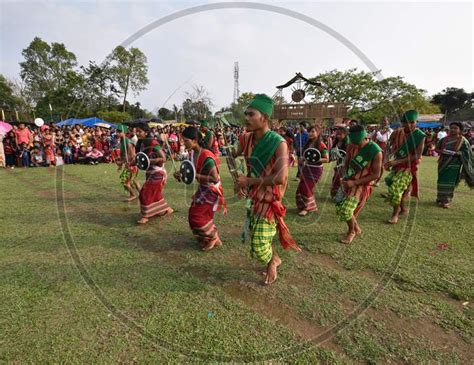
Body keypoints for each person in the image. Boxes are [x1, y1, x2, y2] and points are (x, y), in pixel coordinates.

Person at [234, 94, 301, 285]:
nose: (246, 118)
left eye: (251, 114)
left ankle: (273, 260)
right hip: (255, 197)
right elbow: (233, 157)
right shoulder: (245, 139)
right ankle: (273, 258)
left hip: (271, 199)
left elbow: (280, 178)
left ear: (264, 117)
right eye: (245, 114)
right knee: (259, 237)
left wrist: (249, 181)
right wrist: (238, 181)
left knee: (258, 244)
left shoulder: (279, 143)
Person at [174, 126, 226, 251]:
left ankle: (213, 237)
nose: (183, 143)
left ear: (194, 140)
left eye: (186, 140)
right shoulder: (192, 153)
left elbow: (214, 178)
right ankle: (211, 238)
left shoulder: (207, 156)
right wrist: (180, 175)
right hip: (203, 188)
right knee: (196, 214)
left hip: (212, 190)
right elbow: (188, 172)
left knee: (196, 216)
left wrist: (194, 175)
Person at [335, 125, 382, 244]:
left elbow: (376, 174)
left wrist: (355, 182)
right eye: (353, 143)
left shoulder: (375, 151)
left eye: (358, 144)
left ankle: (352, 231)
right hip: (349, 181)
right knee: (341, 207)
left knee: (346, 210)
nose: (355, 146)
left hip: (362, 185)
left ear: (365, 138)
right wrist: (344, 177)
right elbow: (347, 163)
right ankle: (356, 228)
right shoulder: (351, 145)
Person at [384, 110, 426, 224]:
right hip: (396, 165)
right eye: (406, 122)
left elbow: (416, 155)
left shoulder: (420, 136)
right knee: (391, 183)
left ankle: (395, 214)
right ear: (402, 123)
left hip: (408, 167)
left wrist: (396, 162)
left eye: (412, 122)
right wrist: (387, 159)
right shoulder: (397, 132)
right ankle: (402, 209)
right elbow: (388, 145)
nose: (409, 124)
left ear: (416, 122)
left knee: (396, 189)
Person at [135, 123, 173, 224]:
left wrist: (150, 160)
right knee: (155, 194)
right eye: (136, 131)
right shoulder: (141, 143)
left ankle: (146, 215)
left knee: (145, 192)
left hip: (158, 173)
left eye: (140, 131)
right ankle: (167, 209)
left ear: (146, 132)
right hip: (150, 172)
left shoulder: (153, 143)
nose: (137, 133)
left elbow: (163, 158)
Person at [435, 122, 473, 208]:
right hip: (443, 163)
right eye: (451, 128)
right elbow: (437, 148)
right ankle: (440, 198)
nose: (452, 130)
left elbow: (467, 153)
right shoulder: (444, 139)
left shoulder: (463, 140)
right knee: (441, 181)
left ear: (460, 130)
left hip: (454, 164)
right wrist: (443, 151)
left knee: (450, 182)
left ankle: (446, 200)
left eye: (455, 128)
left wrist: (458, 153)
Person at [295, 125, 329, 216]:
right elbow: (306, 157)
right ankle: (303, 206)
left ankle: (307, 208)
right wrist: (302, 159)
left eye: (313, 131)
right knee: (301, 187)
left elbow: (326, 159)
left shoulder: (321, 144)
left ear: (318, 133)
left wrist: (316, 159)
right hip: (307, 168)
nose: (310, 133)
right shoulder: (308, 143)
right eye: (309, 131)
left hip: (316, 170)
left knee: (307, 188)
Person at [116, 124, 141, 201]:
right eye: (117, 131)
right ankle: (142, 194)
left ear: (124, 132)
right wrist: (120, 162)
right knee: (134, 181)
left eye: (119, 132)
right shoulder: (122, 141)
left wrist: (122, 162)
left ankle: (133, 195)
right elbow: (123, 156)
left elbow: (133, 156)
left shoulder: (128, 142)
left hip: (132, 165)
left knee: (125, 181)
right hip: (130, 165)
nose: (117, 133)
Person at [330, 126, 349, 197]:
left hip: (345, 163)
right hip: (339, 163)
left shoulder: (348, 143)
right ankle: (336, 193)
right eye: (337, 134)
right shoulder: (337, 141)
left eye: (340, 134)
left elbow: (347, 155)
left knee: (339, 178)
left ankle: (341, 194)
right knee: (336, 177)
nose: (338, 136)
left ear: (345, 134)